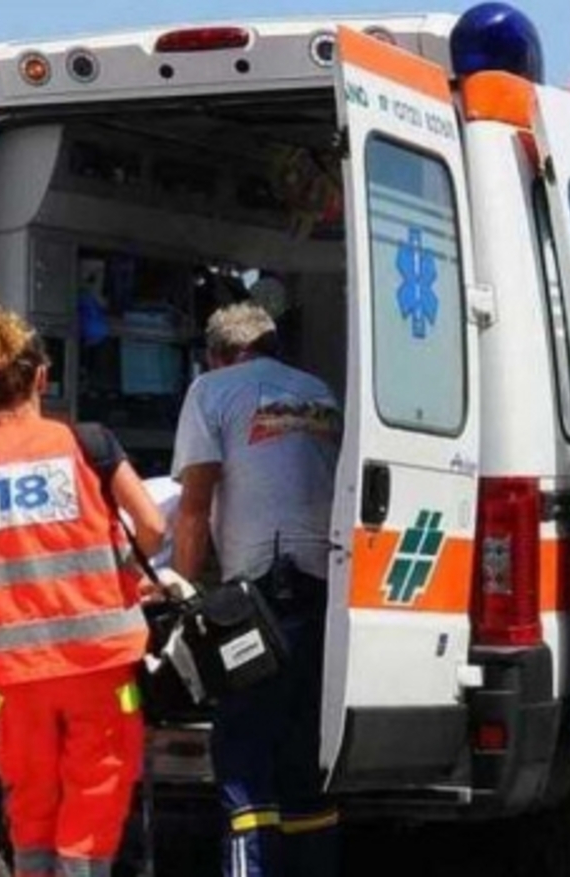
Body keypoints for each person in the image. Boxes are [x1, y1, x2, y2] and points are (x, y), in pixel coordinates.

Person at [0, 302, 167, 877]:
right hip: (100, 664)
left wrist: (10, 595)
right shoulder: (88, 444)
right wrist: (121, 579)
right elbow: (154, 527)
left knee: (31, 803)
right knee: (95, 793)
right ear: (42, 376)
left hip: (15, 674)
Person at [171, 302, 342, 877]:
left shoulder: (211, 390)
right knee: (302, 759)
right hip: (324, 590)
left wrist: (181, 587)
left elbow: (194, 507)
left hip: (257, 600)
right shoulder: (319, 392)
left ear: (216, 354)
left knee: (243, 761)